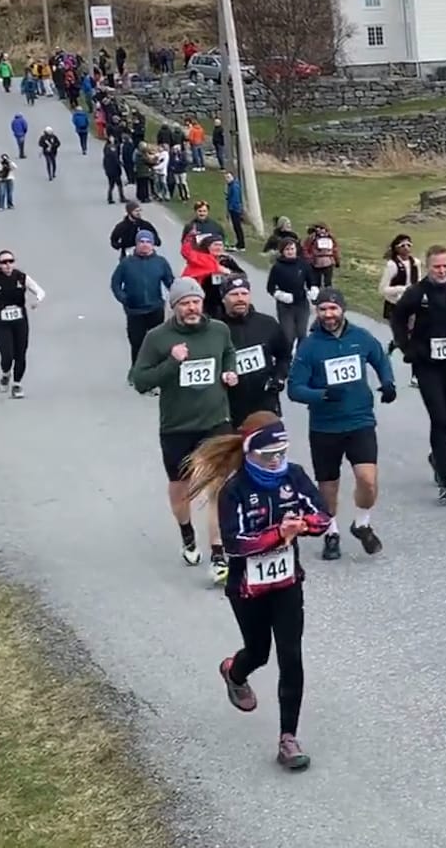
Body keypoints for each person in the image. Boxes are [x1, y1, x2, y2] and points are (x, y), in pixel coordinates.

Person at [188, 413, 330, 771]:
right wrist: (279, 535)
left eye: (281, 452)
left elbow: (323, 516)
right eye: (268, 454)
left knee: (291, 655)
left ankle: (288, 738)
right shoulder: (233, 490)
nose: (275, 461)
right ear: (250, 452)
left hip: (286, 585)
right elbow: (235, 545)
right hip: (247, 590)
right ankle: (234, 671)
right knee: (259, 652)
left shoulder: (294, 477)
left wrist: (304, 525)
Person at [128, 277, 237, 581]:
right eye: (185, 303)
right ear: (174, 306)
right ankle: (187, 534)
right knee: (180, 489)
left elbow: (228, 351)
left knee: (218, 486)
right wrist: (172, 363)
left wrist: (230, 370)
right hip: (177, 426)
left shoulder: (218, 330)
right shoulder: (157, 338)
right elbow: (140, 380)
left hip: (216, 422)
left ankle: (219, 555)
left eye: (196, 302)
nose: (191, 308)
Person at [286, 288, 396, 561]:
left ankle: (361, 523)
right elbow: (294, 389)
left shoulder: (360, 337)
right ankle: (331, 532)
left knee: (368, 481)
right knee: (328, 487)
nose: (328, 315)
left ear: (342, 310)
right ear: (316, 312)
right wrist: (321, 395)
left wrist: (388, 382)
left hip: (360, 420)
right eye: (322, 309)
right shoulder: (310, 346)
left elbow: (379, 357)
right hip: (325, 427)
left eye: (333, 309)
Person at [390, 245, 446, 502]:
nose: (441, 271)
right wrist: (406, 347)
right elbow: (398, 318)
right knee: (438, 416)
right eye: (436, 267)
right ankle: (443, 474)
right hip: (426, 363)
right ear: (427, 267)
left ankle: (436, 456)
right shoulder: (416, 293)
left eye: (445, 266)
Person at [221, 276, 292, 429]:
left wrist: (279, 377)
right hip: (231, 408)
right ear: (223, 299)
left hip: (265, 404)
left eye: (244, 293)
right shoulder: (217, 329)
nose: (240, 299)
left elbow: (284, 356)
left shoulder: (267, 323)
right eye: (234, 294)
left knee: (268, 450)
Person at [0, 249, 45, 398]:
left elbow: (39, 291)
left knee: (20, 354)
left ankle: (17, 384)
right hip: (2, 322)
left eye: (11, 261)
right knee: (7, 355)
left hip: (20, 321)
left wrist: (37, 301)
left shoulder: (21, 278)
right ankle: (6, 373)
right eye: (4, 262)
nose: (8, 265)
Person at [267, 237, 317, 354]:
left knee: (302, 334)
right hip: (285, 306)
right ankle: (285, 358)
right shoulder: (277, 267)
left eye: (292, 249)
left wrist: (313, 290)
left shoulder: (303, 264)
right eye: (287, 249)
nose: (290, 251)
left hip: (301, 304)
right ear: (283, 251)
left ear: (296, 249)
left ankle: (300, 358)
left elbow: (311, 281)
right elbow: (270, 287)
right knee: (288, 336)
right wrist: (281, 295)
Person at [378, 233, 419, 365]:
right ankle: (394, 345)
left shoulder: (415, 262)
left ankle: (416, 372)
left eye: (409, 245)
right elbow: (383, 289)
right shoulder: (392, 265)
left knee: (414, 335)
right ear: (396, 249)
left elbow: (417, 281)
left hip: (411, 305)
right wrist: (402, 289)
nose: (406, 248)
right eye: (402, 246)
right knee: (402, 337)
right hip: (395, 305)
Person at [302, 223, 339, 288]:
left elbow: (335, 249)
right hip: (316, 264)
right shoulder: (312, 237)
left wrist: (336, 260)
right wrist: (310, 259)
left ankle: (327, 295)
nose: (320, 230)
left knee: (328, 283)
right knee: (316, 283)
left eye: (322, 228)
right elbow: (305, 248)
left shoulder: (330, 238)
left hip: (328, 263)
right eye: (318, 228)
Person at [224, 170, 248, 249]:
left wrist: (231, 208)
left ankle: (241, 245)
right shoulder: (230, 185)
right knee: (236, 227)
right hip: (233, 208)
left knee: (237, 227)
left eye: (229, 177)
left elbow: (235, 199)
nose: (227, 179)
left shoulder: (234, 186)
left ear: (233, 177)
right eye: (226, 178)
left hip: (235, 209)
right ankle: (239, 243)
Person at [101, 139, 126, 204]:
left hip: (109, 171)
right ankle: (121, 197)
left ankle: (110, 198)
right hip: (115, 171)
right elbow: (116, 161)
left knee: (111, 185)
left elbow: (104, 165)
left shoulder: (106, 156)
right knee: (119, 184)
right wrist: (121, 164)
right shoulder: (112, 152)